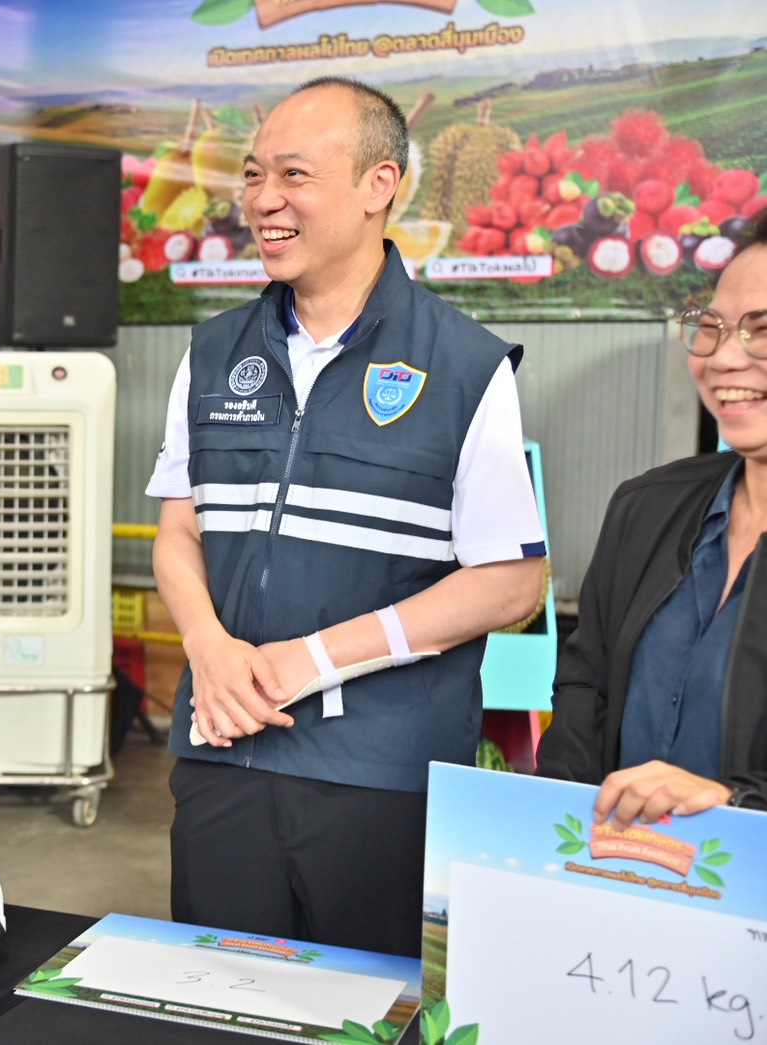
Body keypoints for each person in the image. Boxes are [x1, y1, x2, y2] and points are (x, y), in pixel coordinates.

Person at [147, 77, 547, 957]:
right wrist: (210, 651)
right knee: (222, 1000)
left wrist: (312, 660)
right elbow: (180, 530)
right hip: (222, 752)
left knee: (374, 1007)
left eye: (294, 174)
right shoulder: (213, 351)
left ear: (379, 186)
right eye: (253, 176)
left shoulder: (466, 364)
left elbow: (511, 580)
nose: (262, 200)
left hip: (380, 773)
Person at [536, 213, 767, 824]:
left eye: (762, 330)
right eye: (713, 328)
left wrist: (736, 804)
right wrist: (556, 839)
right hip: (617, 878)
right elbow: (585, 690)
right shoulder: (647, 507)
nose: (723, 359)